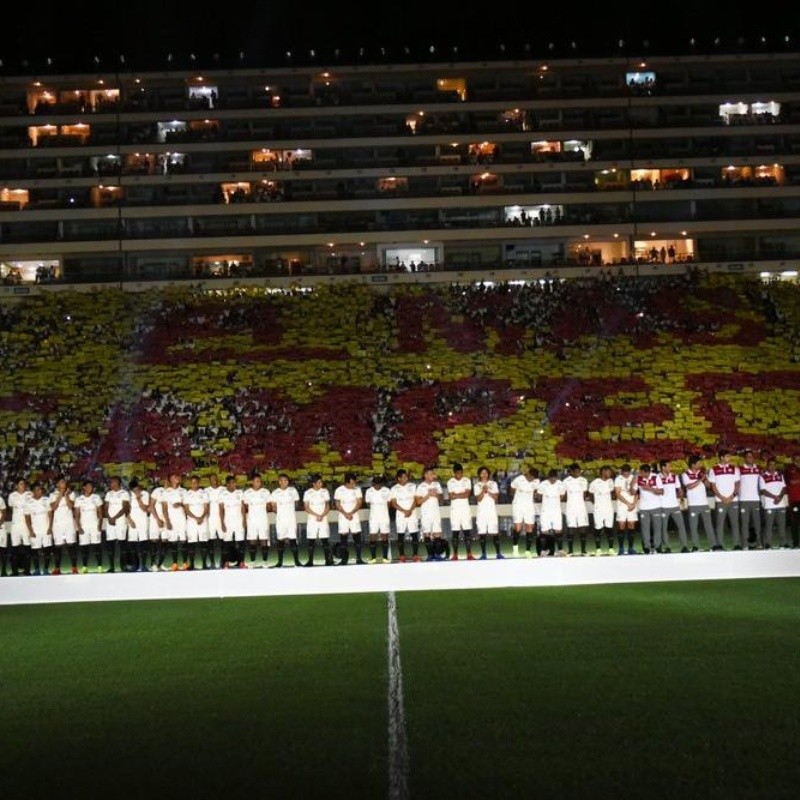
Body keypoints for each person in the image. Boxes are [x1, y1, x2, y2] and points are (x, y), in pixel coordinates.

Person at [708, 450, 742, 550]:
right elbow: (712, 486)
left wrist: (732, 496)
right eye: (727, 456)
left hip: (733, 500)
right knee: (720, 524)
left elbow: (737, 483)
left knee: (735, 523)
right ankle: (720, 544)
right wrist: (722, 497)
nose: (729, 458)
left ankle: (737, 544)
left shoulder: (734, 469)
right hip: (720, 501)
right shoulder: (713, 469)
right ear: (721, 457)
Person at [682, 455, 715, 551]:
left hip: (704, 503)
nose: (700, 465)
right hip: (693, 504)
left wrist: (705, 478)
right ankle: (696, 546)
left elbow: (709, 486)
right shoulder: (686, 474)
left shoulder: (701, 473)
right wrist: (700, 479)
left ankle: (713, 545)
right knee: (693, 527)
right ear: (693, 464)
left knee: (708, 525)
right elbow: (689, 486)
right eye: (698, 463)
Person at [657, 459, 690, 553]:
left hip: (675, 506)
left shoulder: (674, 477)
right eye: (668, 466)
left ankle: (684, 546)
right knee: (664, 528)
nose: (670, 468)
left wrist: (681, 496)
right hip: (663, 506)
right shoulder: (657, 477)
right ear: (663, 467)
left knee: (681, 526)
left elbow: (679, 489)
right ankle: (667, 547)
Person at [270, 473, 301, 567]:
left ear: (288, 481)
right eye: (282, 480)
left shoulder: (293, 490)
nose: (284, 482)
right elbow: (273, 506)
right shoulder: (275, 492)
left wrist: (289, 510)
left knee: (292, 539)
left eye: (286, 480)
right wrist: (280, 513)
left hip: (291, 519)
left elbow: (296, 502)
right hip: (280, 520)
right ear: (279, 482)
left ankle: (297, 561)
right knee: (280, 540)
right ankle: (279, 562)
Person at [334, 471, 365, 565]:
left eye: (354, 482)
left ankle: (359, 559)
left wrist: (351, 513)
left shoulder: (357, 489)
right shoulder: (339, 490)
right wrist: (345, 513)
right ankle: (344, 560)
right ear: (346, 482)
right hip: (343, 515)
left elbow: (359, 503)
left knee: (357, 536)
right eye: (352, 483)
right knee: (343, 536)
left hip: (354, 515)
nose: (354, 484)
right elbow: (337, 504)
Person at [390, 468, 420, 562]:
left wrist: (410, 510)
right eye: (403, 477)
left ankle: (415, 555)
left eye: (406, 477)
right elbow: (393, 503)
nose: (405, 479)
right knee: (401, 534)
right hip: (400, 514)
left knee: (414, 533)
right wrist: (404, 511)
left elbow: (416, 500)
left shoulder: (413, 486)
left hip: (412, 512)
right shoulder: (394, 488)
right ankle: (402, 555)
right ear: (398, 478)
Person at [49, 477, 77, 574]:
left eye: (64, 482)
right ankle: (57, 568)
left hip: (69, 523)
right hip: (57, 524)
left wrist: (66, 496)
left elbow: (71, 506)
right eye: (60, 482)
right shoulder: (52, 495)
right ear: (57, 484)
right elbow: (53, 507)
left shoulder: (71, 493)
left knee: (71, 545)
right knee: (58, 546)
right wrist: (60, 495)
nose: (63, 483)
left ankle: (74, 567)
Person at [74, 479, 103, 573]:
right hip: (84, 526)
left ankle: (99, 566)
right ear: (84, 487)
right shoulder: (79, 499)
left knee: (97, 546)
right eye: (88, 486)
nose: (90, 488)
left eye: (91, 486)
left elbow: (100, 512)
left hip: (95, 525)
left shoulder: (96, 497)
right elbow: (77, 514)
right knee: (84, 548)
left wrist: (100, 524)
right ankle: (84, 567)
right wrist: (79, 527)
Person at [415, 467, 445, 561]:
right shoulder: (420, 486)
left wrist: (436, 494)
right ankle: (430, 555)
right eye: (430, 474)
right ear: (425, 475)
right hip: (426, 513)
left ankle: (437, 554)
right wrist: (428, 495)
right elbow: (418, 502)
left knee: (437, 533)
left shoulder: (437, 484)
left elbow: (441, 498)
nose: (432, 475)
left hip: (436, 512)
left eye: (433, 474)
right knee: (427, 534)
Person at [303, 473, 332, 566]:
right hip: (312, 518)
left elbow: (328, 505)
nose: (321, 484)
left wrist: (322, 515)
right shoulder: (307, 493)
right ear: (314, 484)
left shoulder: (325, 491)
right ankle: (310, 561)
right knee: (311, 540)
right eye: (319, 482)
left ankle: (328, 560)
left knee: (325, 539)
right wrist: (316, 515)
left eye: (321, 482)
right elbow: (306, 507)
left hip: (323, 518)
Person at [474, 466, 503, 559]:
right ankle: (483, 554)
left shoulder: (493, 484)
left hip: (491, 512)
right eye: (482, 473)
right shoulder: (477, 485)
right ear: (479, 474)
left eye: (486, 473)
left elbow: (496, 497)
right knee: (482, 533)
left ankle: (498, 553)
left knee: (494, 533)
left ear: (488, 474)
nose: (484, 474)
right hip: (481, 512)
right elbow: (478, 499)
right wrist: (483, 491)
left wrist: (488, 491)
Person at [446, 463, 474, 560]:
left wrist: (456, 495)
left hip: (465, 509)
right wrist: (460, 494)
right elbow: (450, 496)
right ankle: (455, 554)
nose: (459, 475)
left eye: (461, 473)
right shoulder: (450, 482)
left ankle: (469, 554)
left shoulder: (467, 480)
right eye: (457, 473)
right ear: (454, 473)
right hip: (455, 510)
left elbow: (467, 495)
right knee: (455, 533)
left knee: (467, 532)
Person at [509, 466, 538, 558]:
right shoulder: (518, 479)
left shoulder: (536, 482)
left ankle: (528, 551)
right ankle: (515, 550)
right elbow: (511, 491)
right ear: (528, 474)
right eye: (530, 477)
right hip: (518, 506)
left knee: (529, 528)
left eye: (533, 478)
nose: (531, 479)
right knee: (518, 528)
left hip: (529, 506)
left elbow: (535, 492)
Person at [535, 469, 565, 556]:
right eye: (551, 478)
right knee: (544, 531)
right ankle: (543, 551)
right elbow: (539, 496)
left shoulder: (560, 484)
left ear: (557, 477)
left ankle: (560, 550)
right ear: (548, 477)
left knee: (558, 530)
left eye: (554, 478)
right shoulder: (543, 484)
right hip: (545, 511)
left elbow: (562, 495)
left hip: (556, 510)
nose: (552, 480)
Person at [760, 457, 788, 548]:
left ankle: (783, 543)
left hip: (781, 504)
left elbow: (784, 488)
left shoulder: (780, 475)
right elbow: (763, 490)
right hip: (769, 505)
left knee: (782, 525)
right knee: (769, 525)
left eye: (774, 464)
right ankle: (767, 544)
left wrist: (779, 497)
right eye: (770, 464)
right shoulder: (762, 476)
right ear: (767, 466)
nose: (772, 466)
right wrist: (775, 497)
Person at [104, 475, 130, 573]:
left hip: (120, 522)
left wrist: (114, 518)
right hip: (110, 522)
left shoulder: (124, 493)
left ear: (117, 482)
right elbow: (105, 507)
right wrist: (109, 517)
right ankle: (112, 567)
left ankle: (123, 566)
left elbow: (125, 508)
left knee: (122, 544)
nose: (110, 484)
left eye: (112, 482)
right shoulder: (108, 494)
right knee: (111, 544)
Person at [162, 472, 188, 570]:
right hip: (171, 520)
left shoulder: (184, 491)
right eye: (175, 476)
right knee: (173, 541)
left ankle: (185, 563)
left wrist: (180, 504)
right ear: (171, 479)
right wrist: (167, 521)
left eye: (178, 476)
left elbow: (187, 506)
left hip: (181, 519)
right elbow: (164, 508)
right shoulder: (166, 492)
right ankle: (174, 563)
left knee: (183, 540)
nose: (177, 477)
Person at [25, 482, 52, 576]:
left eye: (39, 490)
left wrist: (50, 527)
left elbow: (50, 515)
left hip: (46, 530)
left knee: (47, 550)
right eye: (36, 490)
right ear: (33, 492)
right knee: (35, 551)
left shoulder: (46, 500)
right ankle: (36, 569)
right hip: (35, 531)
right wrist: (31, 530)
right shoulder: (28, 503)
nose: (38, 492)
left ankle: (45, 569)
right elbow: (27, 518)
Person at [184, 474, 210, 570]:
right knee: (192, 543)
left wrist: (201, 517)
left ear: (199, 483)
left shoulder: (204, 493)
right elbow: (186, 509)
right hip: (191, 522)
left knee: (204, 542)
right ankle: (191, 564)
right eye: (192, 482)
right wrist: (196, 518)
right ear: (190, 484)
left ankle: (204, 564)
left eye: (196, 482)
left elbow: (207, 508)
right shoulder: (187, 494)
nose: (194, 484)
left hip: (203, 521)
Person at [588, 465, 616, 555]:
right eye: (608, 472)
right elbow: (591, 495)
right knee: (598, 529)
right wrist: (596, 504)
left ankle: (611, 549)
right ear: (603, 472)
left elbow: (612, 493)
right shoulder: (594, 483)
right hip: (598, 509)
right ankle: (598, 549)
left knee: (609, 529)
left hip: (609, 509)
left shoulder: (611, 481)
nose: (610, 473)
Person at [219, 475, 246, 568]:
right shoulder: (222, 494)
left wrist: (244, 520)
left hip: (239, 521)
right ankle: (226, 562)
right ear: (227, 484)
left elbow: (243, 507)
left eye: (234, 482)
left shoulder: (240, 492)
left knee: (241, 542)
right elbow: (221, 509)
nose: (232, 484)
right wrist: (222, 522)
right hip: (228, 521)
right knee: (227, 542)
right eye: (230, 483)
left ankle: (242, 562)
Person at [563, 462, 590, 555]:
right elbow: (564, 494)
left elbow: (584, 494)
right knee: (571, 528)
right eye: (576, 471)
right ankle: (570, 550)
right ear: (571, 472)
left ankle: (583, 550)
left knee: (583, 527)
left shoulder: (584, 480)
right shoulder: (566, 481)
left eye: (579, 471)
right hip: (570, 507)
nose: (578, 473)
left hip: (581, 507)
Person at [636, 463, 663, 554]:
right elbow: (632, 491)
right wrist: (633, 480)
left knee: (657, 528)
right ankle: (646, 547)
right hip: (643, 507)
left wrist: (650, 488)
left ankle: (657, 547)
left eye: (641, 472)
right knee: (645, 529)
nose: (639, 473)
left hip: (656, 506)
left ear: (644, 472)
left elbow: (661, 491)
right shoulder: (638, 478)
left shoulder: (656, 477)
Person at [738, 449, 762, 549]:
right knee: (744, 524)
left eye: (751, 456)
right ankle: (745, 544)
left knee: (757, 523)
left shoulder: (758, 469)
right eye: (748, 456)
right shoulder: (740, 469)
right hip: (744, 500)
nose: (750, 458)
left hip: (756, 500)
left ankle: (759, 543)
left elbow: (761, 484)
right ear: (745, 458)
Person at [365, 475, 392, 563]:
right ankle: (373, 557)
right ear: (373, 484)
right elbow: (368, 503)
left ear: (382, 484)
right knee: (373, 535)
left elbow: (389, 503)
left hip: (384, 515)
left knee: (385, 535)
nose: (377, 486)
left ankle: (385, 557)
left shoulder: (387, 490)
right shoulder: (369, 491)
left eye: (379, 484)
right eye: (375, 484)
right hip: (373, 516)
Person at [613, 464, 638, 555]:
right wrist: (627, 504)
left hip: (632, 504)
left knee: (631, 525)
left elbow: (636, 493)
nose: (626, 474)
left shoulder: (634, 478)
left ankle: (631, 547)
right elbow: (617, 493)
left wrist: (633, 504)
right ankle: (621, 548)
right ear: (621, 471)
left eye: (628, 472)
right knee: (621, 525)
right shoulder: (618, 479)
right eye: (624, 473)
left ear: (630, 471)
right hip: (622, 505)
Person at [127, 477, 150, 572]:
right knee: (133, 544)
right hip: (132, 521)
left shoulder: (145, 494)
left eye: (137, 488)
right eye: (133, 490)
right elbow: (126, 509)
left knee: (143, 544)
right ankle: (134, 565)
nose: (136, 491)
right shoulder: (128, 495)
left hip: (143, 521)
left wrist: (138, 498)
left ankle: (143, 565)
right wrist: (130, 520)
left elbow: (145, 509)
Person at [148, 475, 169, 571]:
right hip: (155, 520)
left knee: (165, 542)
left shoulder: (172, 492)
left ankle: (160, 564)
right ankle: (152, 564)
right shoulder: (157, 491)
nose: (167, 482)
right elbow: (151, 506)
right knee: (154, 541)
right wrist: (157, 519)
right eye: (165, 480)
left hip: (167, 520)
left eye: (168, 480)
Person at [205, 473, 224, 568]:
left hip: (222, 519)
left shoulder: (223, 490)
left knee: (223, 540)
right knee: (210, 541)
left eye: (216, 478)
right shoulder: (206, 491)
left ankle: (222, 562)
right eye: (212, 479)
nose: (214, 480)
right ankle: (211, 562)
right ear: (209, 481)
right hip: (210, 519)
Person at [782, 452, 800, 548]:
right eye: (796, 458)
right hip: (794, 499)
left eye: (799, 458)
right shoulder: (789, 469)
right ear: (793, 459)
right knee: (795, 523)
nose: (798, 460)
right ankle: (796, 543)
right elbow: (791, 482)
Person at [0, 491, 8, 577]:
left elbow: (4, 514)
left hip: (1, 528)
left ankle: (4, 570)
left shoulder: (0, 499)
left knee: (2, 550)